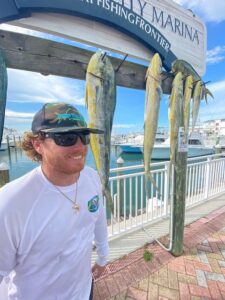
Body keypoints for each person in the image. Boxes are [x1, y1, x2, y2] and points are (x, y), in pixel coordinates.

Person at [0, 102, 109, 300]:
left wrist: (103, 257)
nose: (80, 147)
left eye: (84, 136)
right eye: (66, 138)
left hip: (84, 292)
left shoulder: (92, 178)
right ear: (38, 144)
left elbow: (98, 219)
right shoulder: (10, 203)